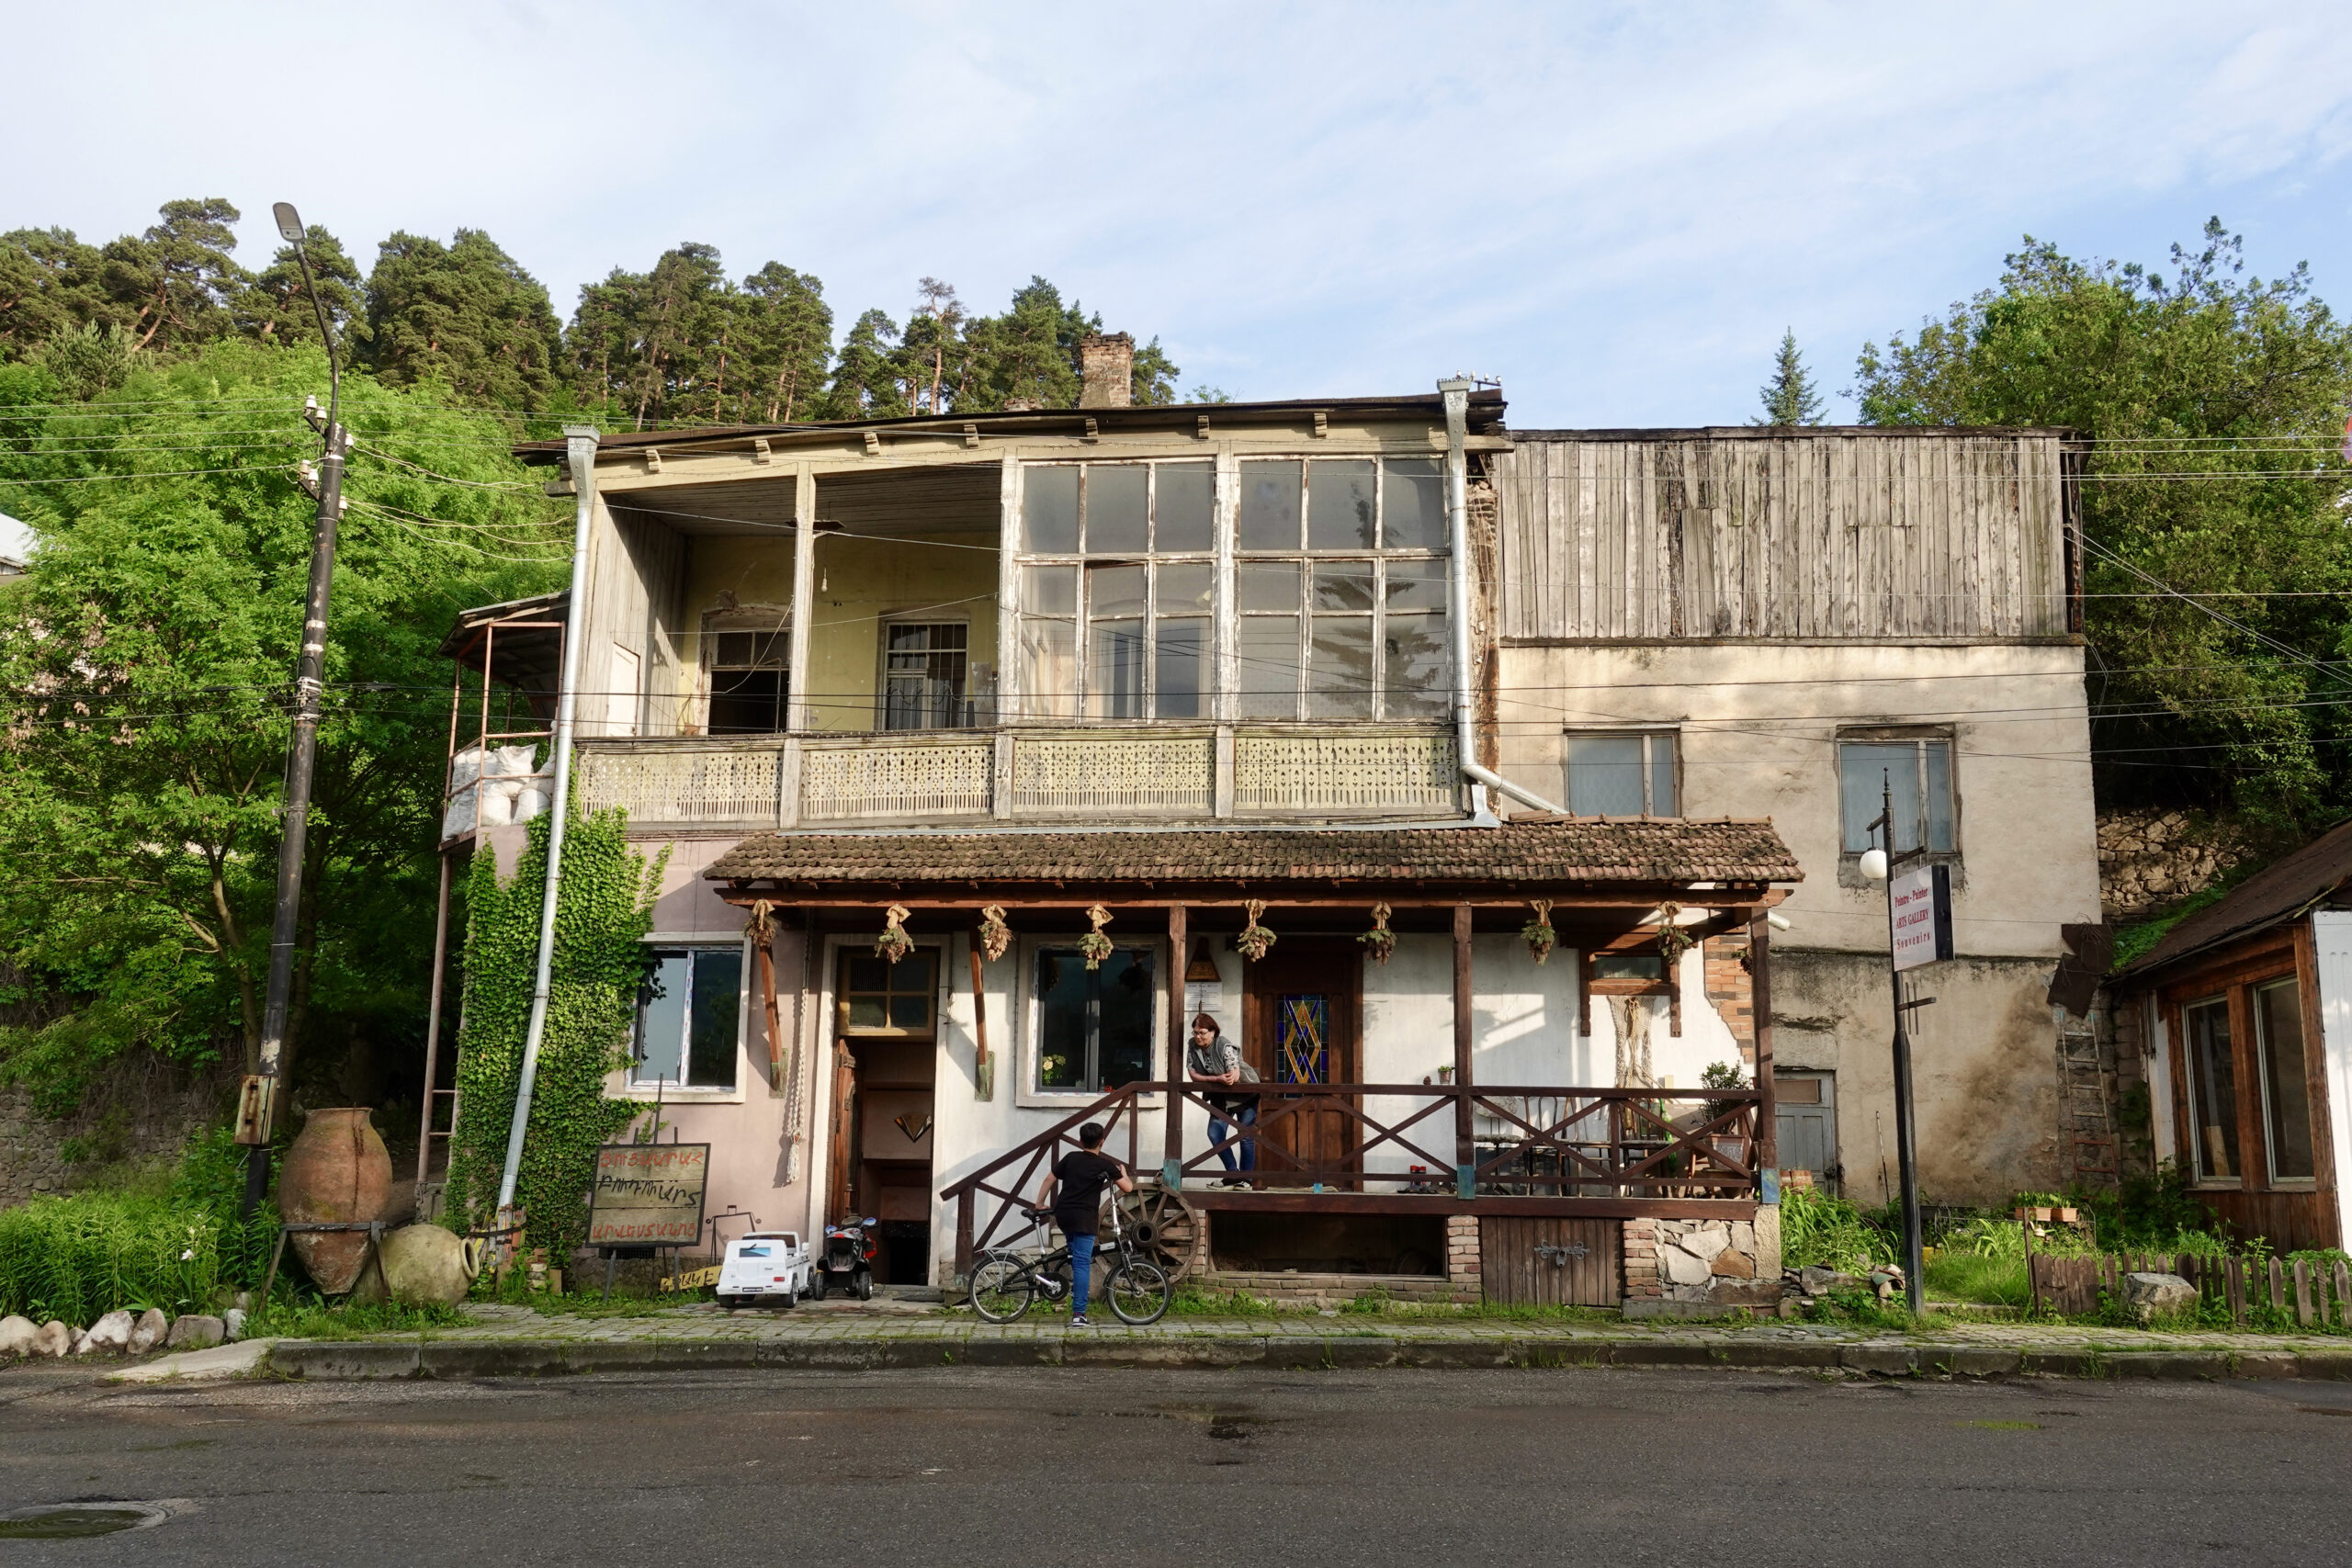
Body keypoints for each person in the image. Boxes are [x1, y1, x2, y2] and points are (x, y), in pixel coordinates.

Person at [1035, 1121, 1133, 1325]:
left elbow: (1048, 1180)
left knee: (1075, 1256)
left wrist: (1040, 1203)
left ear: (1080, 1141)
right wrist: (1123, 1173)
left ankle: (1069, 1289)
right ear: (1102, 1142)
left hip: (1063, 1216)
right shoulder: (1104, 1165)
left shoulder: (1070, 1158)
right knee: (1081, 1264)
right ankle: (1079, 1314)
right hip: (1084, 1219)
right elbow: (1128, 1188)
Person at [1185, 1011, 1255, 1188]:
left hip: (1245, 1095)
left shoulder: (1223, 1045)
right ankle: (1233, 1173)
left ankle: (1246, 1180)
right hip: (1220, 1096)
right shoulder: (1193, 1046)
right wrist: (1216, 1079)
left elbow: (1234, 1075)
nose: (1198, 1036)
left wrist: (1229, 1077)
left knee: (1245, 1136)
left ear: (1212, 1032)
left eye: (1202, 1032)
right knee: (1215, 1133)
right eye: (1195, 1032)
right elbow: (1193, 1074)